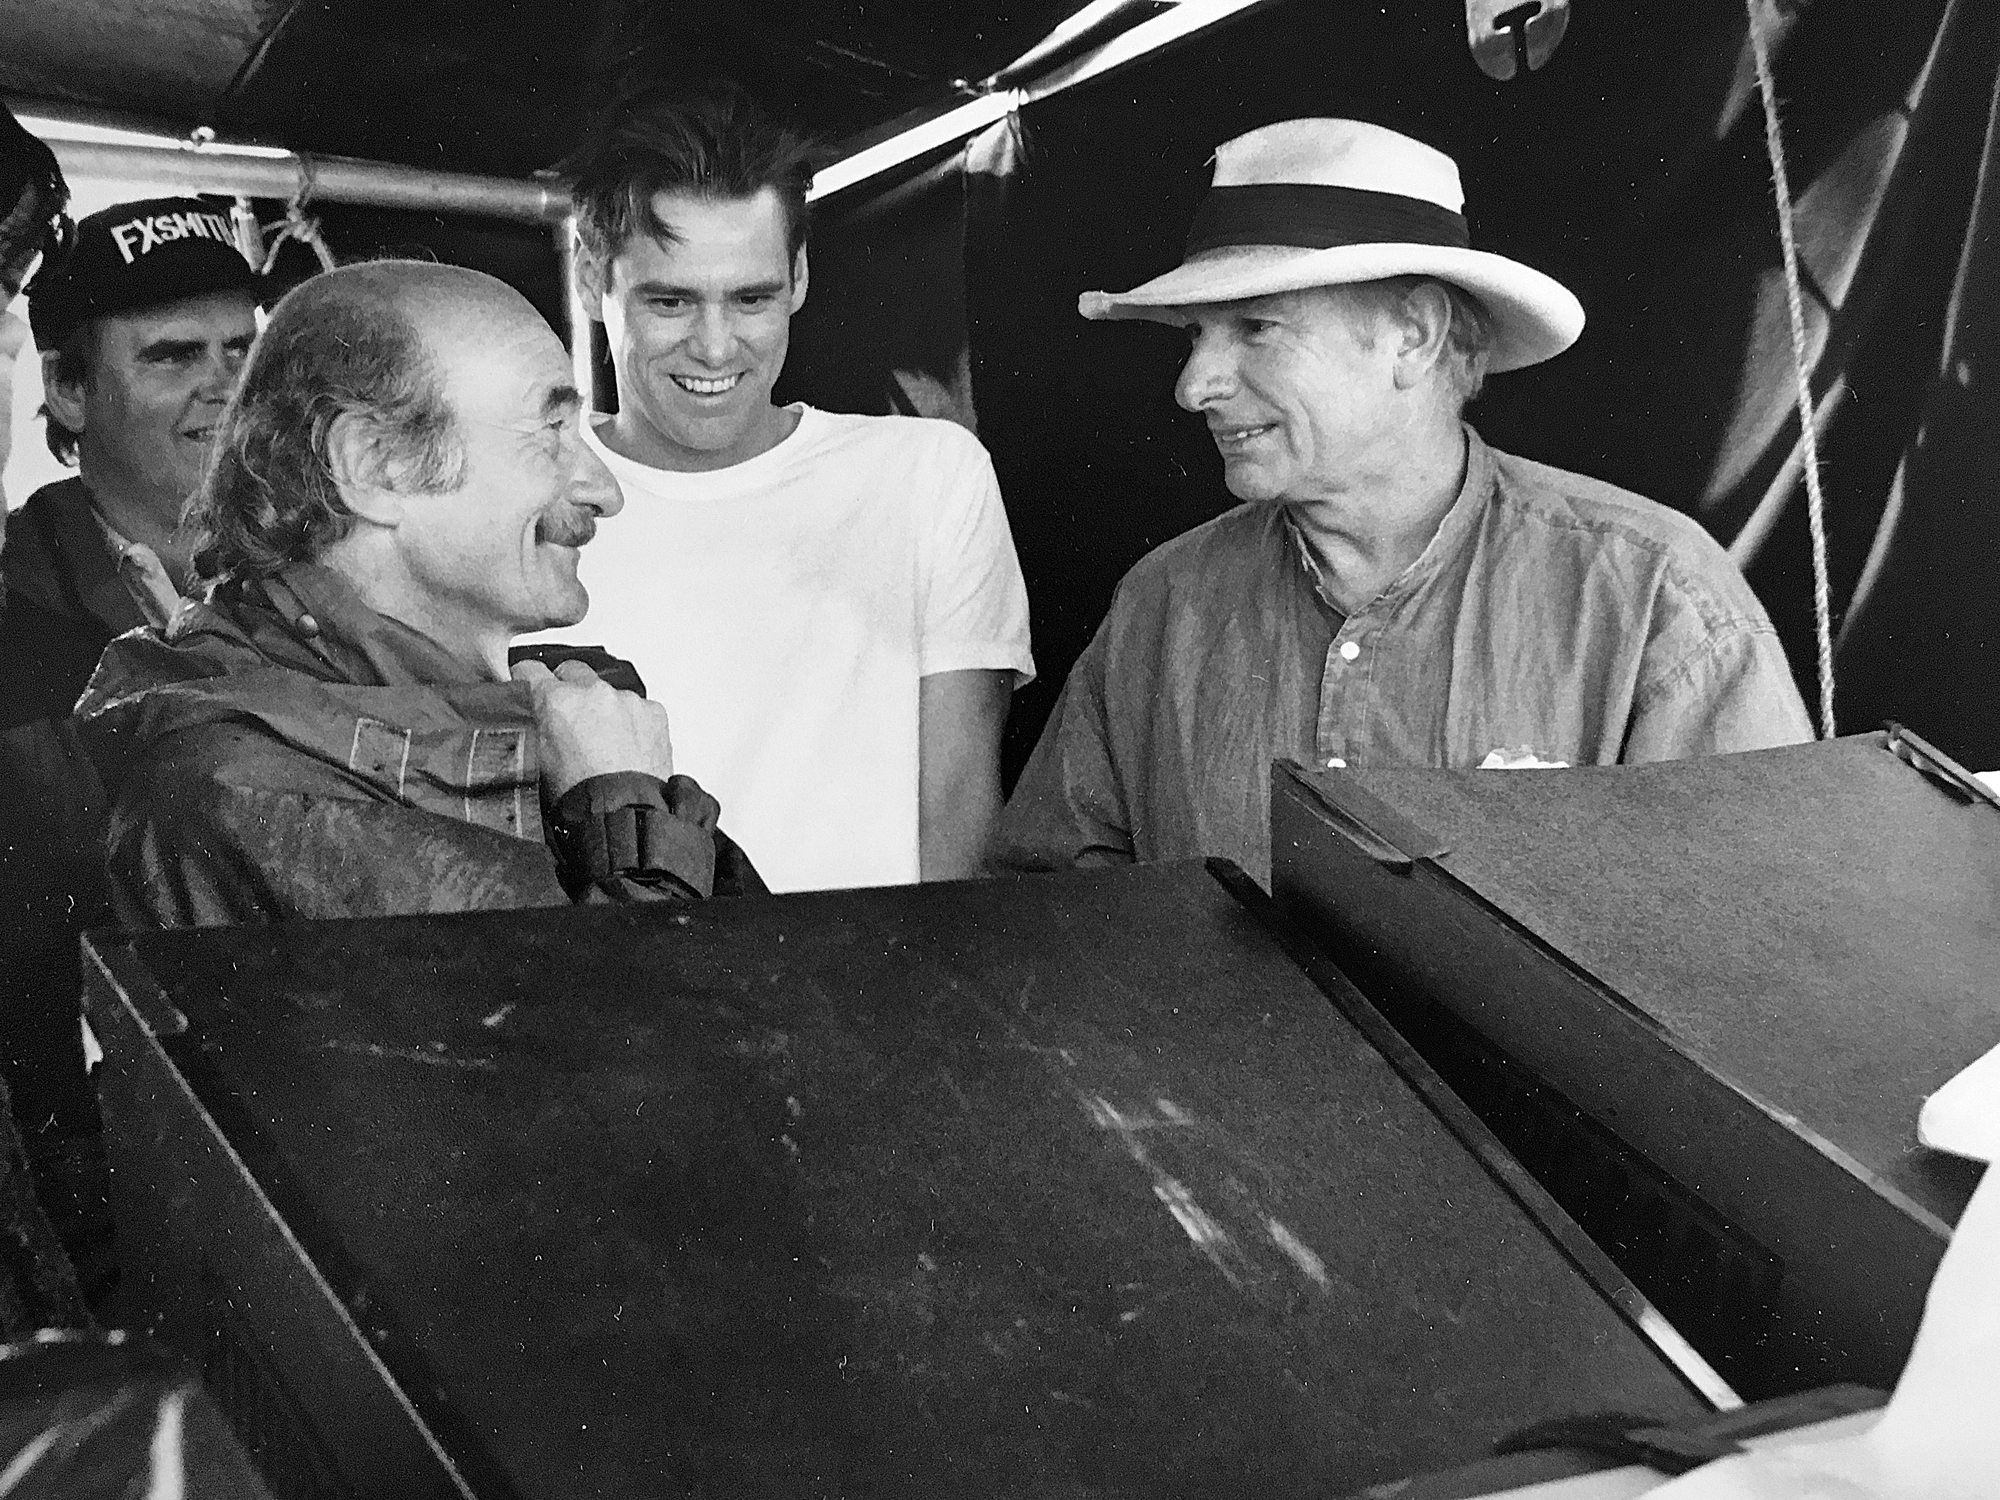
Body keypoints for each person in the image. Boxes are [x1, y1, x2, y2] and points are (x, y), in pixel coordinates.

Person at [996, 119, 1813, 888]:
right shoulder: (1161, 605)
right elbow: (1048, 919)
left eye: (1254, 327)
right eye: (1192, 337)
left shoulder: (1654, 599)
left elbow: (1762, 954)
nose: (1193, 386)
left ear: (1414, 336)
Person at [75, 260, 764, 927]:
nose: (601, 490)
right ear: (374, 466)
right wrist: (627, 819)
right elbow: (616, 1037)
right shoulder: (242, 789)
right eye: (548, 430)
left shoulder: (561, 720)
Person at [539, 81, 1034, 892]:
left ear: (799, 275)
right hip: (618, 995)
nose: (713, 345)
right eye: (670, 300)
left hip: (872, 999)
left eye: (751, 298)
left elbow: (960, 820)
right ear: (595, 277)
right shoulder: (529, 502)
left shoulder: (929, 475)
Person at [1, 193, 258, 1292]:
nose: (224, 389)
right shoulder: (10, 633)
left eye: (243, 352)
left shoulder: (344, 601)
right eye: (172, 357)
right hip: (93, 1210)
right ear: (64, 387)